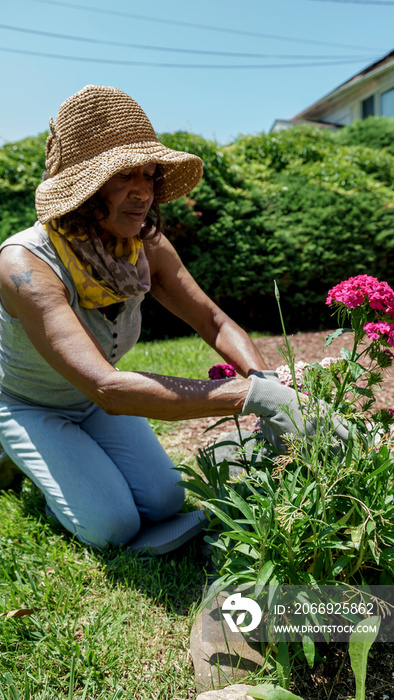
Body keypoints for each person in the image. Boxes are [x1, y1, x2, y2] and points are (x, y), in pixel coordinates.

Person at [0, 85, 345, 552]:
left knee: (166, 499)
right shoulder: (24, 264)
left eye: (149, 174)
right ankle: (32, 471)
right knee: (113, 527)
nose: (143, 191)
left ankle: (73, 468)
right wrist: (254, 396)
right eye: (124, 176)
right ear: (83, 187)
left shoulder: (143, 246)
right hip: (31, 402)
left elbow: (213, 321)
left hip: (95, 401)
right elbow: (107, 386)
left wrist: (271, 383)